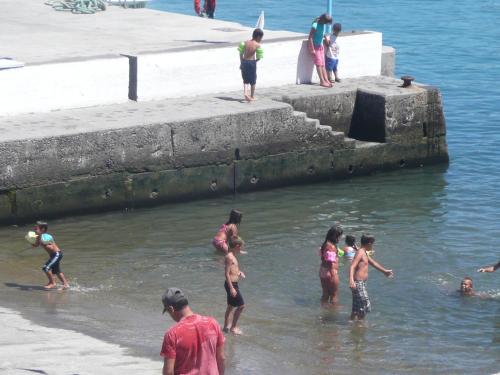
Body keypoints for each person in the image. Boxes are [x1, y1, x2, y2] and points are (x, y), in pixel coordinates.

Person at [161, 287, 225, 375]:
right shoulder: (213, 323)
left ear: (171, 309)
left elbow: (168, 372)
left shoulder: (172, 334)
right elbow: (221, 358)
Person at [349, 235, 393, 320]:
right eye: (372, 244)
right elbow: (352, 266)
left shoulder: (363, 252)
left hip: (360, 283)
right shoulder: (360, 252)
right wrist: (351, 280)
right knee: (365, 305)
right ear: (369, 243)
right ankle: (360, 325)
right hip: (358, 283)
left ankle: (351, 324)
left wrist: (385, 271)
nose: (372, 246)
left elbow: (373, 263)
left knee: (356, 308)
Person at [32, 221, 69, 290]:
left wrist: (38, 238)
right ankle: (65, 284)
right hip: (53, 256)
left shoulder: (47, 236)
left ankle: (52, 283)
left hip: (57, 254)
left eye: (36, 228)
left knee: (46, 268)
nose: (34, 229)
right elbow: (36, 245)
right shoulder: (38, 237)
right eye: (34, 228)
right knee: (57, 271)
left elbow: (46, 244)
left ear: (42, 229)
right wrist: (33, 243)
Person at [223, 242, 246, 334]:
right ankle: (233, 327)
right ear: (236, 246)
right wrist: (232, 288)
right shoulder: (229, 257)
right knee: (241, 306)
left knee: (230, 307)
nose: (241, 249)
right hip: (231, 285)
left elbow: (233, 270)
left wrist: (239, 273)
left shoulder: (232, 256)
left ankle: (225, 327)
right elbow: (227, 273)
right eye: (240, 247)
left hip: (233, 284)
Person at [318, 225, 343, 304]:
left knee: (325, 294)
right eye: (339, 236)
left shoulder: (325, 244)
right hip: (330, 272)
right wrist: (333, 275)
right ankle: (333, 313)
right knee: (334, 295)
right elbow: (330, 262)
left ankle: (323, 309)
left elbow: (323, 258)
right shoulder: (331, 246)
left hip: (323, 271)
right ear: (336, 236)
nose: (340, 238)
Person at [238, 29, 264, 102]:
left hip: (244, 61)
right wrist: (255, 61)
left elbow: (240, 53)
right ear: (258, 37)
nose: (261, 40)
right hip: (252, 63)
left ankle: (246, 93)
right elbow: (259, 57)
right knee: (253, 80)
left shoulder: (245, 43)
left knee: (245, 79)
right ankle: (252, 96)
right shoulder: (257, 45)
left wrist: (242, 62)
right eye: (261, 38)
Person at [308, 14, 333, 88]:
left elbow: (322, 33)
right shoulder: (315, 25)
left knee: (323, 64)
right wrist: (312, 49)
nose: (326, 24)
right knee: (319, 64)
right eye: (326, 22)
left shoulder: (323, 25)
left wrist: (326, 37)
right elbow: (310, 37)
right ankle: (322, 81)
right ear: (323, 20)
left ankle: (326, 80)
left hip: (321, 47)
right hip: (315, 47)